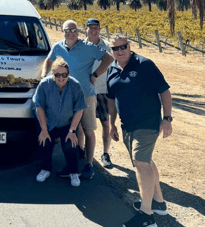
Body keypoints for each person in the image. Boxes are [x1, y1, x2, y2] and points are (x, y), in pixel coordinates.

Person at [107, 34, 172, 227]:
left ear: (129, 46)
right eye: (115, 48)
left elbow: (165, 91)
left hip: (148, 123)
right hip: (127, 126)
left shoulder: (145, 64)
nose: (120, 51)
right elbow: (112, 100)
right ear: (112, 51)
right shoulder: (111, 69)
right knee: (147, 162)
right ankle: (158, 203)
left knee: (141, 163)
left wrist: (167, 119)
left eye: (123, 46)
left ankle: (146, 215)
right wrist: (112, 124)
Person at [42, 19, 113, 179]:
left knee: (88, 130)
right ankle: (72, 164)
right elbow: (48, 61)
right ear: (63, 31)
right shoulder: (57, 46)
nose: (70, 33)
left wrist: (95, 75)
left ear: (79, 32)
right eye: (67, 30)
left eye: (74, 30)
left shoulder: (88, 47)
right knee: (70, 130)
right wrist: (43, 76)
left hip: (85, 95)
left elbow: (108, 59)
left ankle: (89, 165)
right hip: (65, 97)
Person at [33, 57, 87, 187]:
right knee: (45, 142)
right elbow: (39, 106)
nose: (61, 78)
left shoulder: (75, 85)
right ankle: (45, 169)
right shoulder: (44, 85)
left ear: (68, 74)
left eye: (64, 75)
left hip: (67, 123)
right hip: (48, 121)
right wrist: (44, 130)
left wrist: (72, 130)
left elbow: (79, 109)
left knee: (71, 144)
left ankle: (73, 172)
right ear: (53, 74)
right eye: (57, 75)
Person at [85, 18, 113, 167]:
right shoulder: (80, 45)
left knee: (105, 123)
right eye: (91, 27)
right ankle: (84, 151)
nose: (94, 30)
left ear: (100, 30)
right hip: (86, 91)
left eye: (96, 28)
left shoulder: (107, 46)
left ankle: (105, 153)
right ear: (86, 29)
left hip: (103, 90)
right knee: (85, 124)